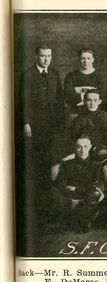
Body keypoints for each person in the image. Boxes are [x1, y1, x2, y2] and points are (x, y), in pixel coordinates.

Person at [17, 44, 64, 210]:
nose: (46, 59)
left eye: (49, 56)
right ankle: (35, 202)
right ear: (36, 56)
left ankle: (49, 200)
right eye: (43, 56)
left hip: (52, 126)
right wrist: (25, 122)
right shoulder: (28, 75)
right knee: (37, 161)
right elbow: (22, 101)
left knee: (51, 159)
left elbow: (59, 100)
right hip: (35, 126)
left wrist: (61, 123)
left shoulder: (55, 74)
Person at [52, 134, 105, 232]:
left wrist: (75, 189)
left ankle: (81, 221)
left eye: (85, 147)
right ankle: (70, 220)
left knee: (95, 194)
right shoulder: (67, 165)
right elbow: (61, 184)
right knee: (54, 192)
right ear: (74, 147)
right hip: (69, 200)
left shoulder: (96, 166)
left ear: (90, 147)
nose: (82, 150)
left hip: (86, 201)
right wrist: (73, 196)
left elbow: (96, 187)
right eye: (78, 147)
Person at [68, 89, 107, 155]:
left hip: (100, 153)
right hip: (82, 152)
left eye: (95, 100)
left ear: (100, 101)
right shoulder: (78, 119)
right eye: (89, 100)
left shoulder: (105, 118)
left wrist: (103, 151)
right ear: (84, 101)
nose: (92, 103)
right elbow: (72, 140)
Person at [64, 48, 106, 116]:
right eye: (83, 58)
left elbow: (102, 98)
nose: (85, 61)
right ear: (79, 60)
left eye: (88, 58)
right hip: (76, 112)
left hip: (94, 114)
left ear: (93, 60)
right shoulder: (71, 76)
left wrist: (81, 97)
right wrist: (89, 98)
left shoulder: (100, 77)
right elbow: (68, 97)